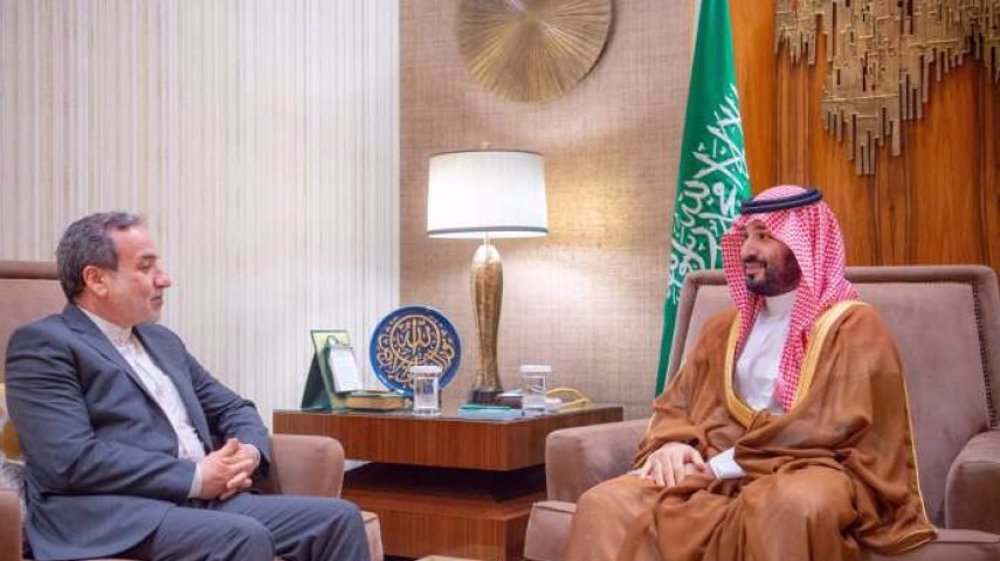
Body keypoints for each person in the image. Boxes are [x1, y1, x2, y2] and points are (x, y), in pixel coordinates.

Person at [565, 186, 935, 561]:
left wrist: (725, 465)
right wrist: (673, 444)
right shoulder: (725, 327)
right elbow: (678, 403)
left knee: (790, 506)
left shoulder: (854, 325)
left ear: (804, 242)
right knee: (605, 503)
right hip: (712, 463)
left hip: (812, 466)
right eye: (744, 236)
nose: (747, 250)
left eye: (765, 236)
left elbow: (832, 427)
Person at [5, 212, 370, 561]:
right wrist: (195, 477)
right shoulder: (43, 344)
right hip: (113, 514)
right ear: (97, 279)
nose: (165, 279)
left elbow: (233, 407)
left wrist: (248, 454)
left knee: (338, 519)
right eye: (146, 267)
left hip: (201, 500)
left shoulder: (161, 341)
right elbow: (69, 460)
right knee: (242, 535)